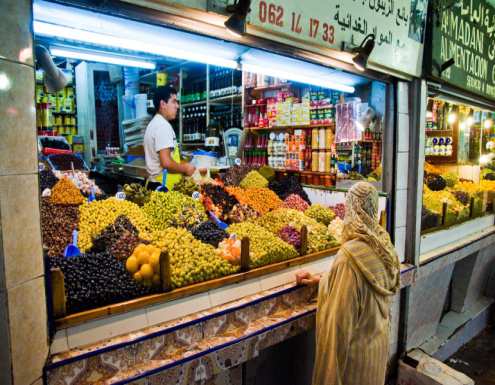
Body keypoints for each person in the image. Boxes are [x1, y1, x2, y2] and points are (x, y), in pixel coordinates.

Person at [296, 182, 400, 385]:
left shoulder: (349, 257)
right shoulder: (384, 246)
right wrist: (322, 281)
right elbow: (363, 288)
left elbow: (340, 322)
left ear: (351, 208)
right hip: (375, 351)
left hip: (354, 361)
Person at [144, 85, 195, 190]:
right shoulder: (162, 126)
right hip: (164, 186)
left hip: (155, 183)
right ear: (163, 104)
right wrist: (186, 168)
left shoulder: (154, 123)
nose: (177, 106)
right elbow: (166, 162)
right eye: (174, 101)